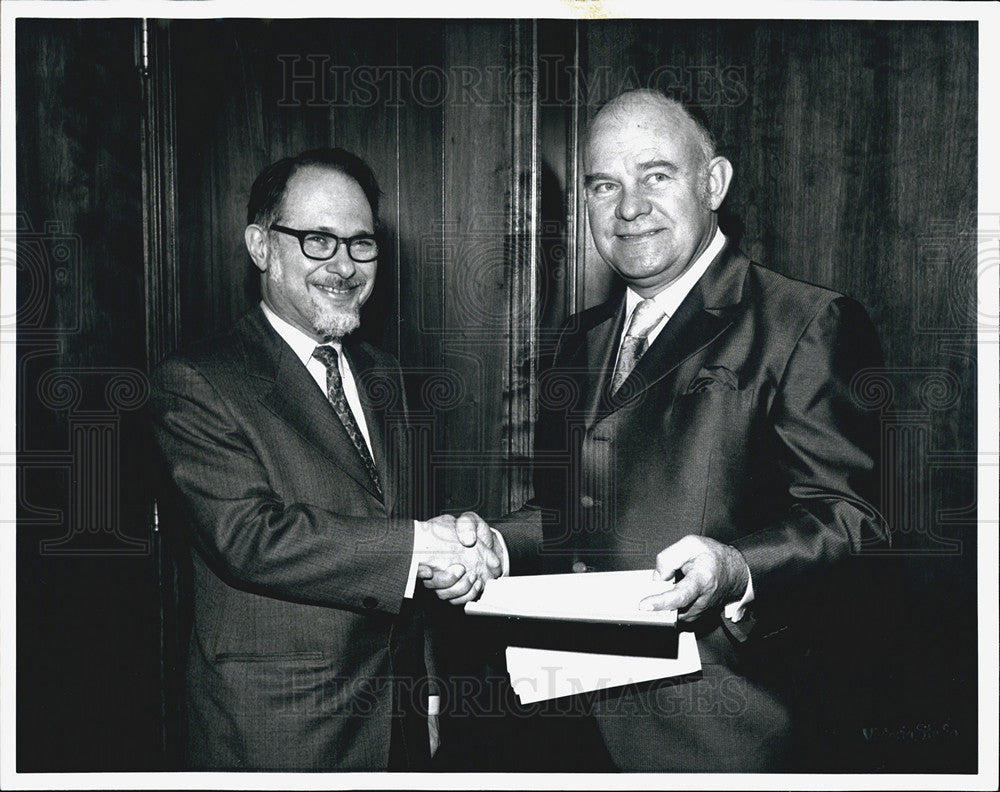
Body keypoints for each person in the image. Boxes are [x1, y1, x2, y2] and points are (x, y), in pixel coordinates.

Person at [487, 89, 890, 771]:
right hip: (571, 725)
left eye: (656, 175)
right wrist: (491, 541)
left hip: (730, 737)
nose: (628, 207)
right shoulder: (577, 342)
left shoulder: (805, 322)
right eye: (603, 184)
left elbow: (854, 521)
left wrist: (737, 569)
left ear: (714, 183)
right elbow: (564, 515)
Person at [149, 148, 502, 771]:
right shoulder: (198, 381)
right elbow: (251, 538)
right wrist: (425, 546)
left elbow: (395, 531)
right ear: (261, 246)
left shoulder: (384, 375)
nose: (344, 265)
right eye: (317, 240)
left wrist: (426, 686)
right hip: (277, 733)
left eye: (361, 243)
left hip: (395, 727)